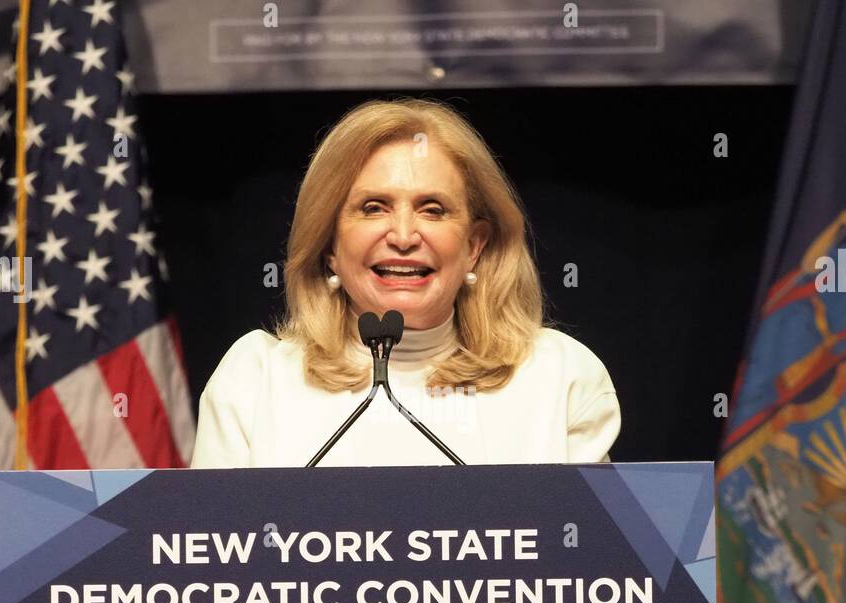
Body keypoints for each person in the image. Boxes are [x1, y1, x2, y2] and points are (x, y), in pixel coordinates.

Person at [190, 97, 620, 468]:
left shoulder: (556, 375)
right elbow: (209, 556)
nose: (402, 236)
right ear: (329, 246)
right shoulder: (255, 380)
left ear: (474, 245)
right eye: (374, 207)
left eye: (432, 210)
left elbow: (596, 555)